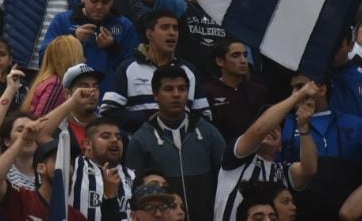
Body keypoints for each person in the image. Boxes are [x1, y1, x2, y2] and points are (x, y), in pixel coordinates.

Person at [125, 65, 226, 221]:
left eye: (182, 88)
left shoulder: (208, 132)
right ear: (156, 95)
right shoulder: (141, 139)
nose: (176, 94)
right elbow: (133, 192)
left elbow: (225, 178)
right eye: (168, 89)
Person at [213, 80, 318, 221]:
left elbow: (309, 169)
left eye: (278, 127)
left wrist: (304, 127)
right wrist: (297, 96)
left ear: (281, 144)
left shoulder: (283, 172)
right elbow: (259, 129)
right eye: (270, 123)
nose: (272, 128)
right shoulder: (237, 157)